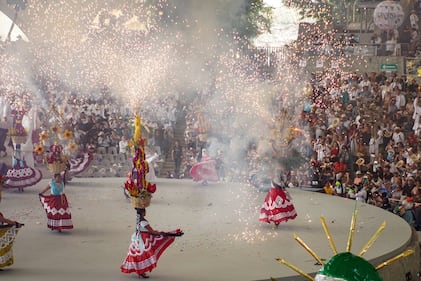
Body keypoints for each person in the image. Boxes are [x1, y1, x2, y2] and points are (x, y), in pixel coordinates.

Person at [120, 208, 183, 278]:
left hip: (139, 238)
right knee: (144, 254)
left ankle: (140, 271)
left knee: (139, 254)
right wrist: (160, 233)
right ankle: (141, 271)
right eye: (144, 211)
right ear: (143, 212)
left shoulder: (138, 220)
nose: (145, 212)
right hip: (144, 239)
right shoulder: (143, 221)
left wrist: (159, 233)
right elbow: (151, 231)